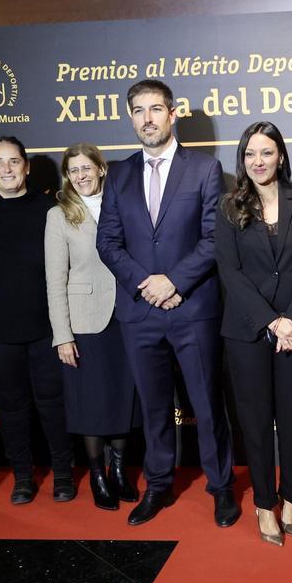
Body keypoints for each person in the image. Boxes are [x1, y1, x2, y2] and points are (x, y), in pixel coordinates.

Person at [96, 80, 239, 527]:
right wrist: (146, 284)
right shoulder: (117, 174)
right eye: (138, 111)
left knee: (206, 402)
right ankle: (158, 486)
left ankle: (221, 489)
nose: (147, 119)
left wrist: (174, 281)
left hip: (192, 307)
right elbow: (108, 242)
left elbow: (216, 238)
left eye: (155, 109)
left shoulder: (204, 169)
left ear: (172, 113)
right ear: (131, 117)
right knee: (154, 405)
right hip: (140, 312)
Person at [215, 122, 292, 546]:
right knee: (257, 423)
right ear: (242, 161)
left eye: (266, 153)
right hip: (247, 333)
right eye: (249, 154)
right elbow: (231, 273)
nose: (258, 162)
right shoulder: (228, 206)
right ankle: (263, 504)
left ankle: (291, 497)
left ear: (280, 156)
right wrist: (272, 321)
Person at [0, 136, 76, 505]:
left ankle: (62, 475)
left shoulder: (51, 210)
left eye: (14, 162)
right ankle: (22, 477)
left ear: (26, 167)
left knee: (53, 404)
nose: (7, 169)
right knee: (10, 408)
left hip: (46, 328)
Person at [45, 143, 142, 510]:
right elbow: (55, 280)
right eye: (74, 171)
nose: (81, 176)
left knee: (123, 399)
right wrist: (63, 335)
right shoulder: (59, 216)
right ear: (67, 177)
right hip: (84, 320)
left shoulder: (125, 206)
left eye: (87, 168)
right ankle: (99, 477)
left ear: (101, 169)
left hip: (128, 315)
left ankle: (119, 471)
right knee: (91, 403)